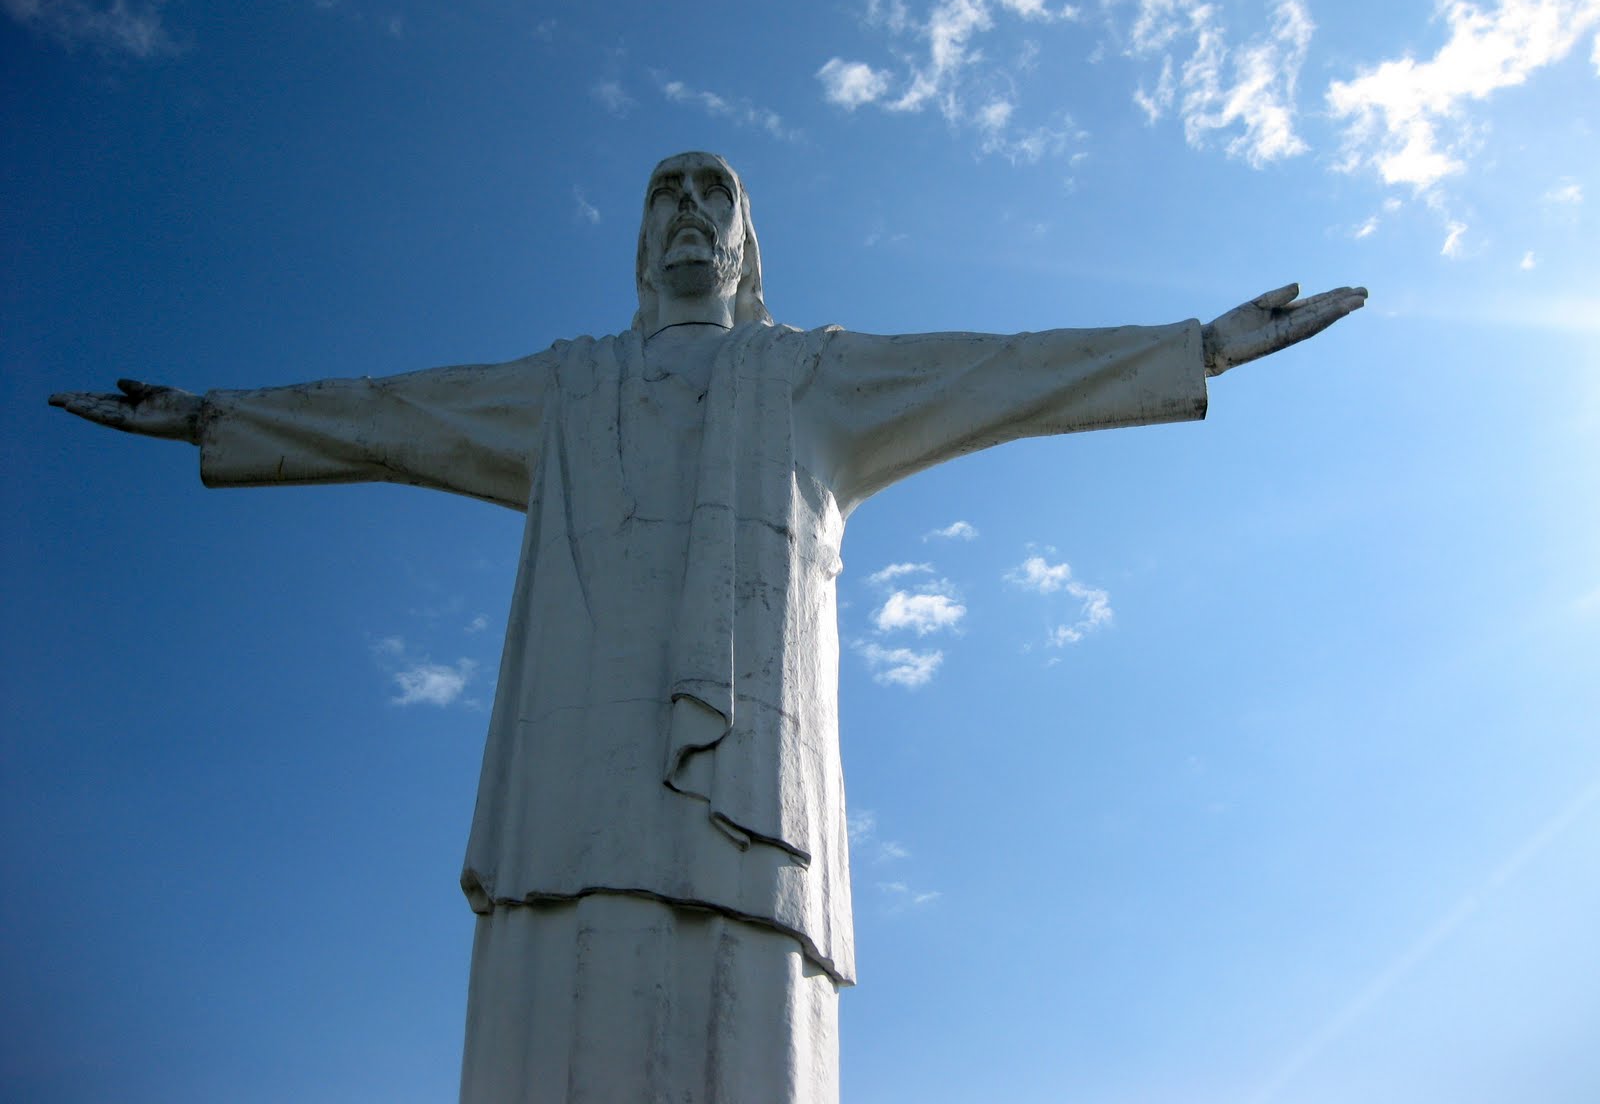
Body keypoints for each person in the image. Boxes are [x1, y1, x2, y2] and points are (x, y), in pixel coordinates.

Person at [51, 151, 1365, 1103]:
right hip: (569, 786)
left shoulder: (808, 375)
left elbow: (995, 375)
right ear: (639, 244)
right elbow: (396, 414)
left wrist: (1192, 346)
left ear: (743, 245)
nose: (687, 214)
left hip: (749, 776)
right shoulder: (568, 389)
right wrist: (219, 417)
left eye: (712, 197)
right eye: (664, 198)